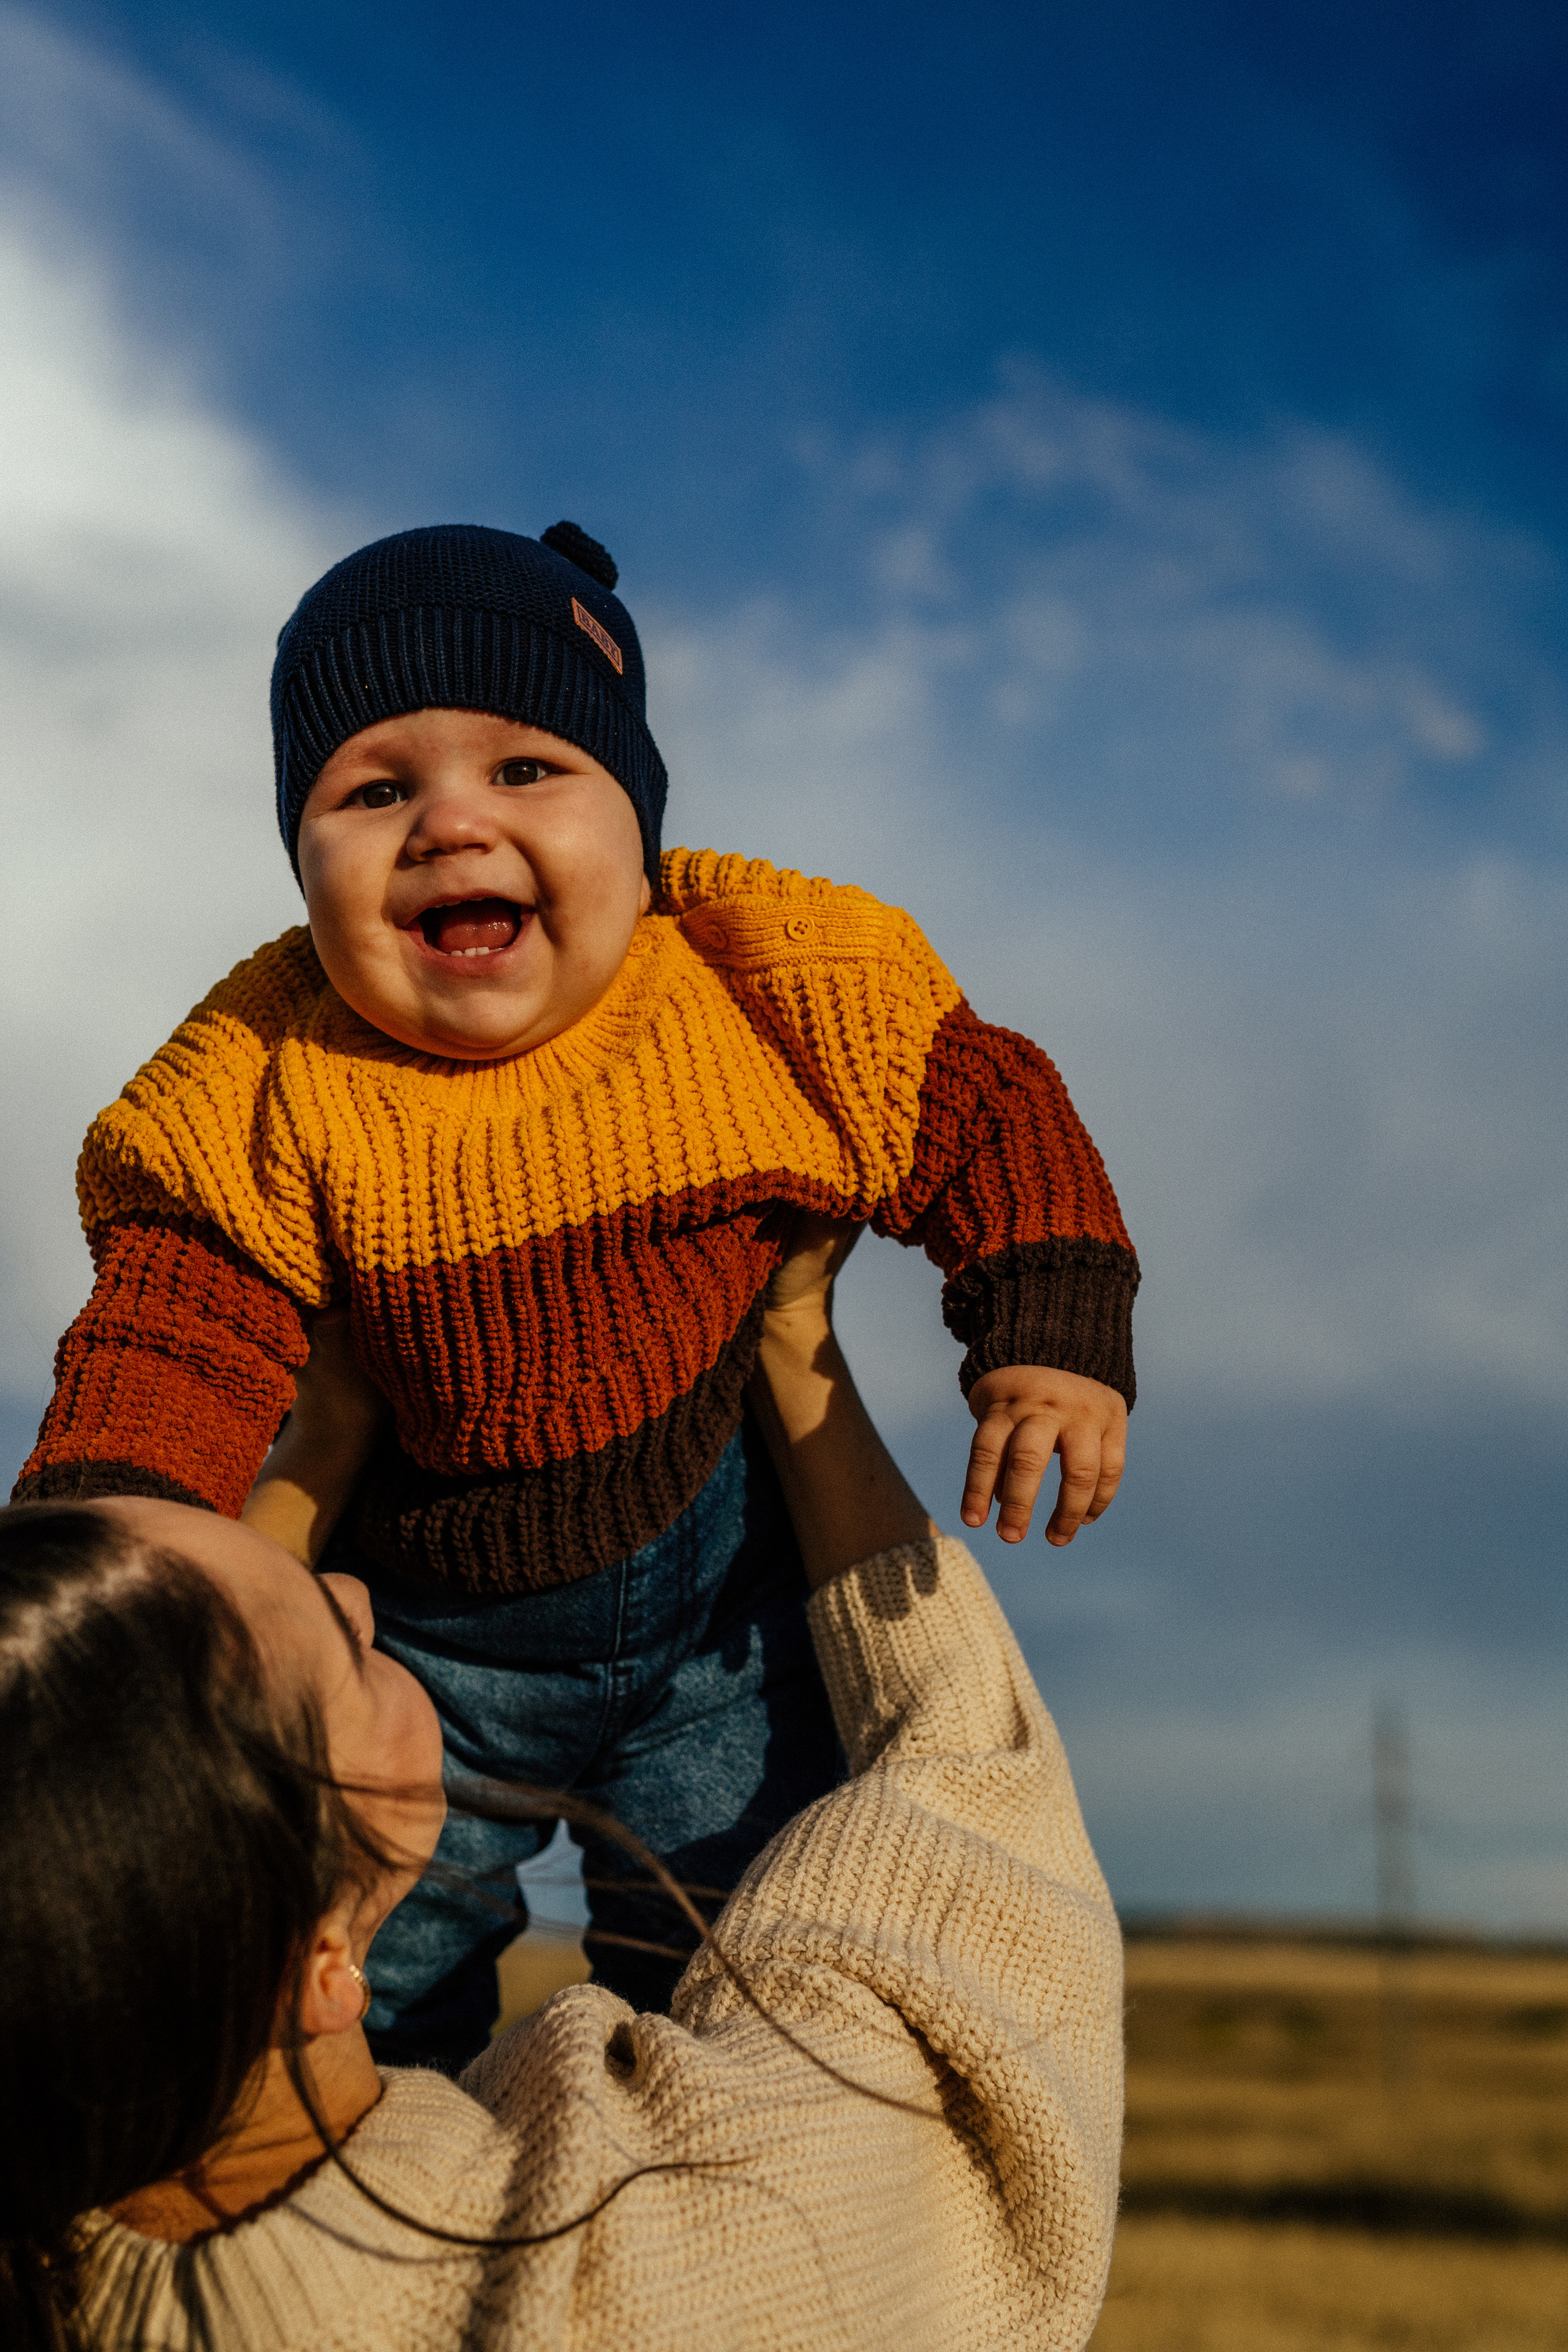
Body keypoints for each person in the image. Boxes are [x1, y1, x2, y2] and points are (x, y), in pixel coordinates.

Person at [16, 519, 1138, 2065]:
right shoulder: (268, 1064)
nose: (448, 824)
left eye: (526, 769)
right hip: (416, 1639)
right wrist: (102, 1556)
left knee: (740, 1954)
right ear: (300, 858)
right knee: (355, 1961)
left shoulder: (759, 973)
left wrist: (1046, 1328)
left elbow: (980, 1109)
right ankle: (378, 2207)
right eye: (375, 789)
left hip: (717, 1608)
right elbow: (174, 1325)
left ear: (641, 815)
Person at [0, 1229, 1123, 2351]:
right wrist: (793, 1336)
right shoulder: (735, 2242)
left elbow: (110, 1737)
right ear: (324, 1962)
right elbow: (973, 1792)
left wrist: (328, 1439)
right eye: (340, 1654)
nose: (348, 1588)